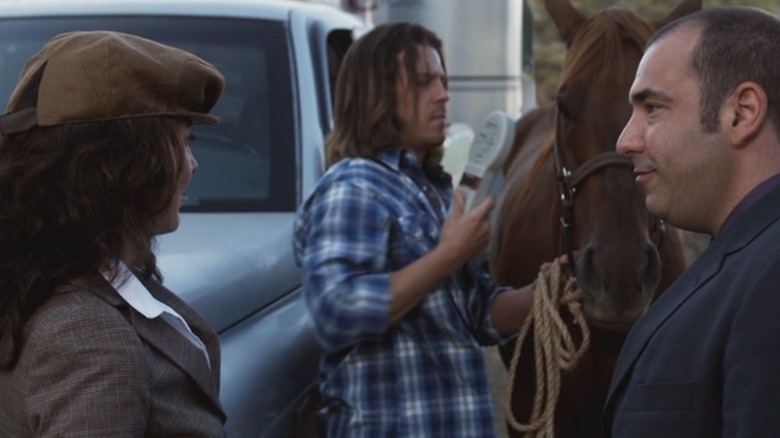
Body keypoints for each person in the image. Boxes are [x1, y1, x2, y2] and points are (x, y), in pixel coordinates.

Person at [293, 22, 539, 437]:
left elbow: (477, 315)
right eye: (424, 82)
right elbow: (335, 312)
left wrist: (546, 293)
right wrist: (448, 255)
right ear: (378, 93)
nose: (444, 95)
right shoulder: (353, 185)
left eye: (443, 81)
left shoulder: (433, 191)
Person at [0, 31, 226, 437]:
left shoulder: (36, 274)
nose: (193, 165)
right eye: (184, 142)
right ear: (128, 165)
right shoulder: (90, 339)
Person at [604, 7, 780, 437]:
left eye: (653, 108)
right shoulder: (747, 256)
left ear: (741, 113)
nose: (625, 140)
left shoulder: (771, 275)